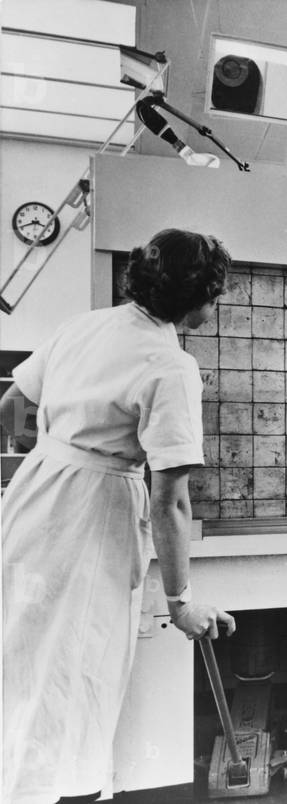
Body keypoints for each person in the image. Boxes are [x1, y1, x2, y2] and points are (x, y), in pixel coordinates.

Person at [1, 229, 237, 803]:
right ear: (194, 296)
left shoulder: (83, 326)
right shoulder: (170, 364)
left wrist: (50, 453)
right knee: (73, 670)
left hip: (29, 501)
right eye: (214, 294)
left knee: (16, 660)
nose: (215, 305)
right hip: (93, 517)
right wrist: (181, 604)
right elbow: (170, 498)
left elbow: (11, 401)